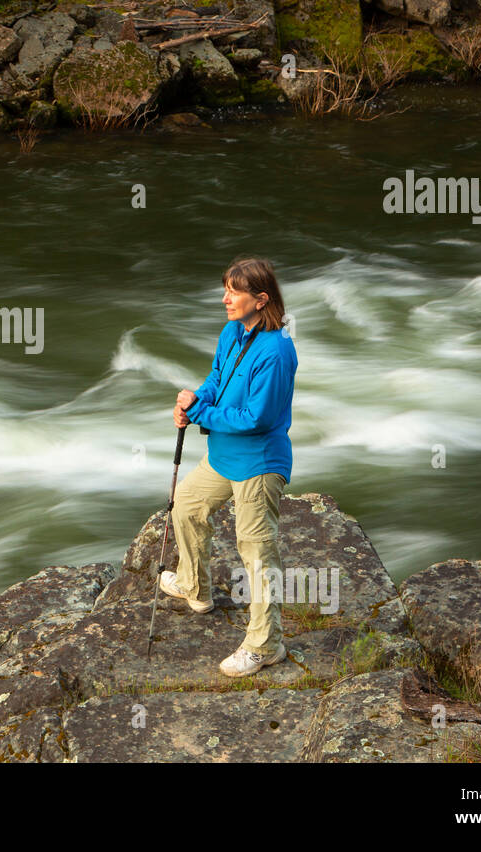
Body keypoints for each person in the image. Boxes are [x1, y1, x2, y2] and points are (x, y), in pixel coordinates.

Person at [163, 256, 298, 677]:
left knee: (257, 551)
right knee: (185, 505)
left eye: (233, 292)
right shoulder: (232, 332)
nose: (225, 299)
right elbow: (217, 381)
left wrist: (203, 413)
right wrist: (194, 401)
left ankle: (265, 644)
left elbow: (256, 418)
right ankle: (194, 586)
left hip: (258, 463)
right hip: (223, 457)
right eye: (225, 290)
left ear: (260, 299)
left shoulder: (276, 351)